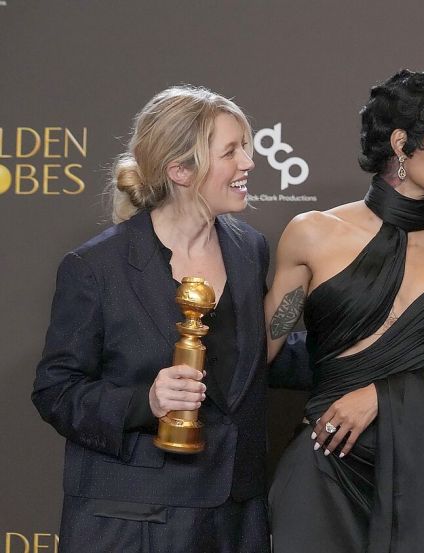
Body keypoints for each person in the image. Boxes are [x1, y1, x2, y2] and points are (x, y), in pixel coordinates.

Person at [32, 86, 270, 552]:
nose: (248, 162)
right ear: (180, 170)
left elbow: (249, 361)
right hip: (132, 520)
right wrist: (148, 402)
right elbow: (55, 390)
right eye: (230, 151)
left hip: (235, 516)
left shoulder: (250, 248)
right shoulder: (96, 267)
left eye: (244, 146)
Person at [265, 69, 424, 553]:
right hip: (323, 470)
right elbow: (258, 352)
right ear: (403, 144)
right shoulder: (311, 233)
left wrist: (385, 395)